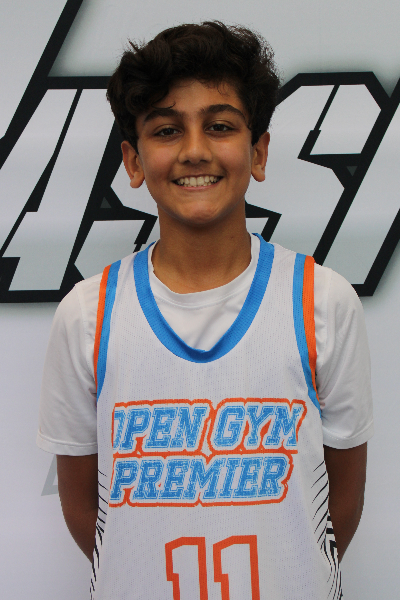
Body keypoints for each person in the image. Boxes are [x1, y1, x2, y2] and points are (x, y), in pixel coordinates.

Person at [37, 21, 373, 600]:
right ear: (133, 161)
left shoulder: (322, 301)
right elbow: (82, 505)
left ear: (258, 151)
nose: (195, 150)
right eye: (167, 130)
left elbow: (341, 501)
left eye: (219, 126)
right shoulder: (87, 315)